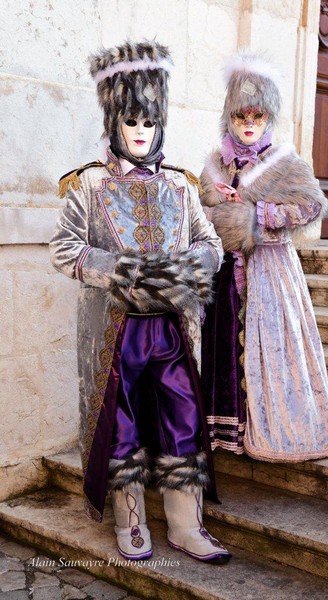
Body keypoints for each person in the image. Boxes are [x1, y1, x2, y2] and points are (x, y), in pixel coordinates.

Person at [49, 40, 231, 565]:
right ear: (114, 119)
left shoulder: (181, 187)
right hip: (118, 327)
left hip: (172, 328)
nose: (140, 132)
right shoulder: (88, 185)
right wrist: (122, 271)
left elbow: (211, 244)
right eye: (131, 120)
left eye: (149, 122)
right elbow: (65, 249)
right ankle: (131, 522)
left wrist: (179, 273)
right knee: (122, 422)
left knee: (183, 419)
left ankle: (186, 525)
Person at [200, 52, 328, 461]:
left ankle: (274, 424)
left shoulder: (285, 163)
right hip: (227, 271)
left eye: (257, 116)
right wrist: (221, 208)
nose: (248, 124)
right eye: (240, 117)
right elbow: (203, 207)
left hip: (271, 269)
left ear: (268, 119)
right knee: (225, 346)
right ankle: (229, 428)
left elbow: (311, 206)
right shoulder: (215, 164)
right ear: (229, 119)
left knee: (272, 347)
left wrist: (259, 214)